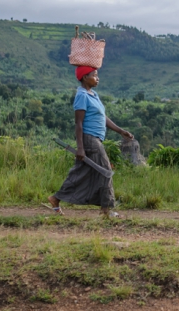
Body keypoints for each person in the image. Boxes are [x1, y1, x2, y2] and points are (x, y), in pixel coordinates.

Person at [46, 66, 134, 217]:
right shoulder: (82, 96)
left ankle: (55, 198)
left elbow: (102, 117)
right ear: (85, 77)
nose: (97, 78)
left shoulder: (93, 95)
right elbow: (78, 124)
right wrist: (80, 148)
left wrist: (120, 131)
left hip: (95, 139)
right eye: (94, 75)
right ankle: (106, 210)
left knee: (80, 172)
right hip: (89, 140)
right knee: (106, 171)